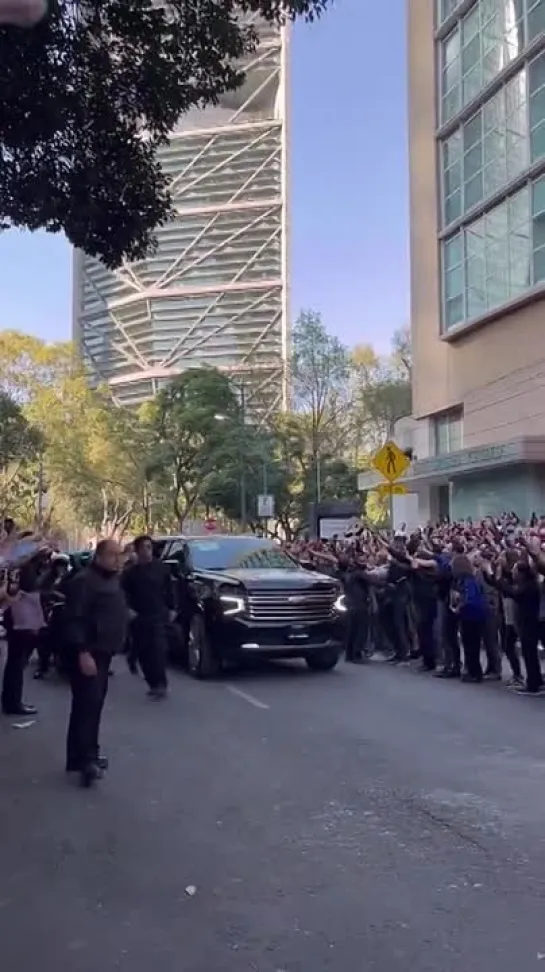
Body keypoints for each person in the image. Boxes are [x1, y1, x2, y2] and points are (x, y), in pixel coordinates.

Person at [63, 539, 128, 787]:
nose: (117, 560)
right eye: (112, 555)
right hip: (89, 653)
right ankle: (86, 760)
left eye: (118, 555)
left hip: (104, 652)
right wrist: (82, 652)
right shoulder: (84, 582)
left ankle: (81, 756)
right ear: (99, 556)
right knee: (87, 706)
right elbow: (75, 620)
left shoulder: (110, 579)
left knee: (90, 706)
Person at [122, 535, 175, 699]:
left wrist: (172, 608)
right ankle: (152, 682)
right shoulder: (130, 573)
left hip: (158, 614)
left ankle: (161, 684)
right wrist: (128, 609)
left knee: (158, 650)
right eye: (143, 547)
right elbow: (123, 594)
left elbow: (170, 590)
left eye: (149, 547)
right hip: (139, 617)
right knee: (144, 651)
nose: (147, 551)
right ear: (137, 551)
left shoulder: (162, 569)